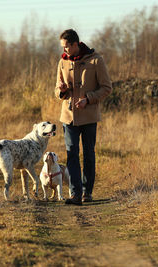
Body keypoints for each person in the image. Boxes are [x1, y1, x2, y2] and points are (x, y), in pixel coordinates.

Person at [54, 29, 112, 205]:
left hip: (88, 116)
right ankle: (75, 194)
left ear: (75, 44)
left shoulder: (96, 60)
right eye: (63, 47)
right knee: (72, 154)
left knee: (88, 154)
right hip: (69, 116)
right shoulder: (62, 62)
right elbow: (57, 89)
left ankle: (87, 192)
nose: (64, 51)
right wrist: (61, 91)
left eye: (66, 47)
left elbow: (107, 88)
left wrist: (88, 99)